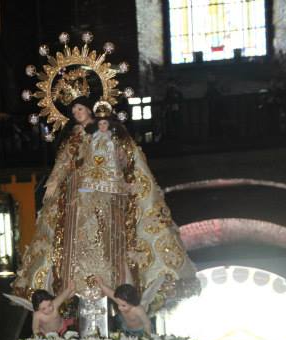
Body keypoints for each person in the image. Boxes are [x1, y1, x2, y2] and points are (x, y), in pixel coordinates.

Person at [13, 98, 199, 313]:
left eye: (80, 108)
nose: (77, 113)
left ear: (91, 110)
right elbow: (63, 162)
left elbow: (129, 158)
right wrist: (54, 182)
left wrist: (123, 173)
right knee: (71, 241)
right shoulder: (73, 137)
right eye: (73, 110)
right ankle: (73, 290)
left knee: (113, 240)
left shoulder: (111, 133)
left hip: (108, 196)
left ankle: (119, 287)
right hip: (76, 196)